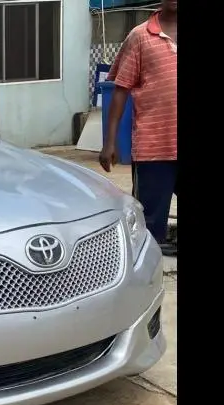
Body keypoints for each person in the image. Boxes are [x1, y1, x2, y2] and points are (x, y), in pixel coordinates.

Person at [99, 0, 177, 256]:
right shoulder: (140, 36)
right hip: (154, 148)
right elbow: (121, 90)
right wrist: (110, 141)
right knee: (150, 229)